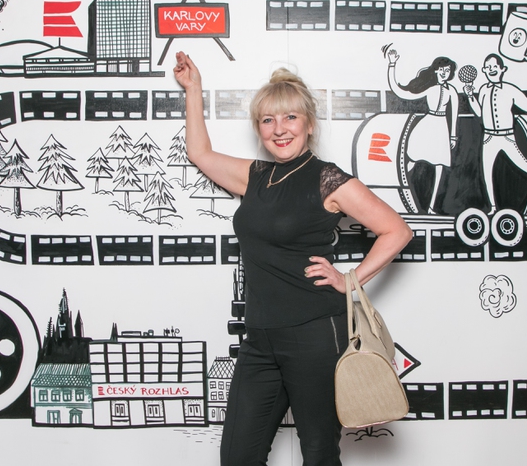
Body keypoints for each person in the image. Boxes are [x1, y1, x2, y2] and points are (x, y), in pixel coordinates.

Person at [173, 51, 412, 466]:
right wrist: (194, 89)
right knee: (237, 457)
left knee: (319, 454)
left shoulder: (327, 179)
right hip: (259, 338)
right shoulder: (256, 177)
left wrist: (349, 279)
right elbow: (200, 153)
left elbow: (397, 230)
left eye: (290, 118)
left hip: (314, 334)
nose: (279, 129)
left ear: (309, 124)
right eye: (268, 120)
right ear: (259, 128)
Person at [465, 54, 527, 214]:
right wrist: (470, 96)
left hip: (507, 137)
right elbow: (480, 112)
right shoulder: (483, 90)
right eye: (488, 67)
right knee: (487, 173)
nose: (491, 70)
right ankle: (493, 208)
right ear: (484, 70)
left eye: (495, 66)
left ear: (502, 69)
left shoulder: (510, 90)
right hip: (489, 138)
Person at [386, 51, 459, 214]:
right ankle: (395, 194)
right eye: (441, 69)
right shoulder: (430, 89)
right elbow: (400, 92)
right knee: (411, 160)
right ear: (436, 70)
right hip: (426, 126)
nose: (444, 73)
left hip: (441, 129)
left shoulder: (452, 91)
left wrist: (453, 136)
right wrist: (392, 64)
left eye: (447, 70)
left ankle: (432, 207)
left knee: (440, 166)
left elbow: (454, 115)